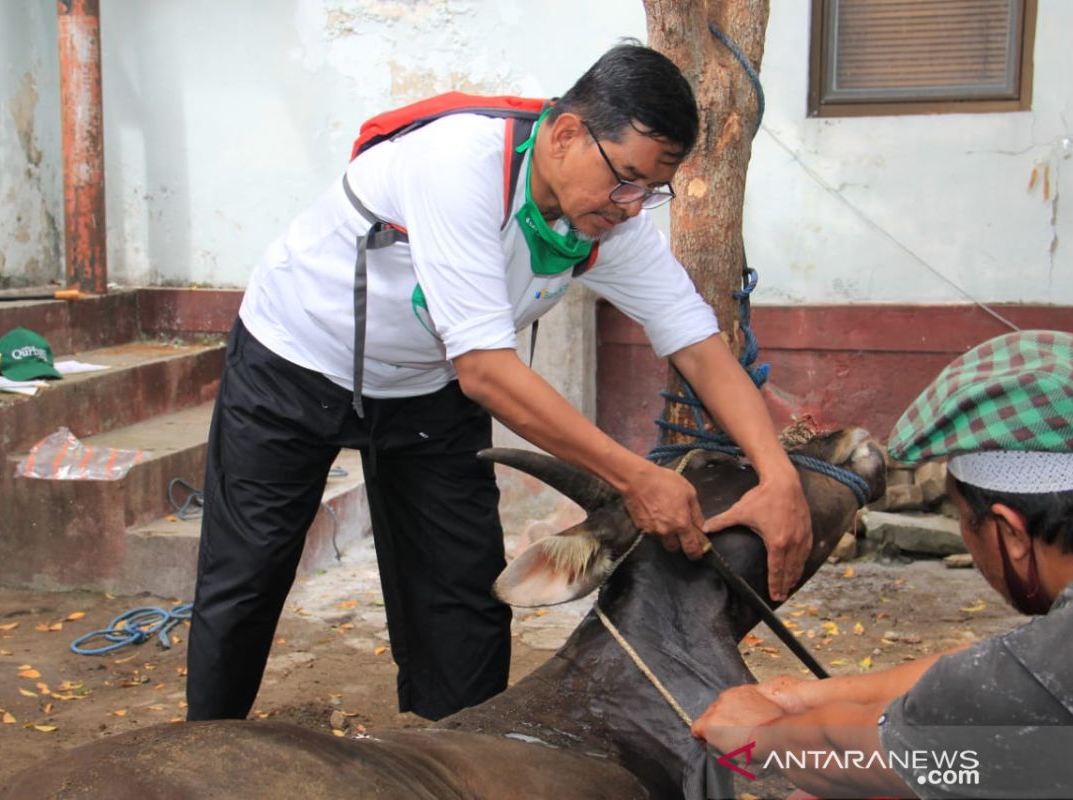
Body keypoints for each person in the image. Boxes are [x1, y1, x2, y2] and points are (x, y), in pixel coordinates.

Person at [187, 42, 812, 723]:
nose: (634, 207)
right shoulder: (459, 164)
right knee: (246, 582)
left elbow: (697, 343)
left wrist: (777, 474)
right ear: (568, 134)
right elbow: (486, 370)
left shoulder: (610, 220)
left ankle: (456, 765)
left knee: (462, 603)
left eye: (649, 191)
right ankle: (201, 755)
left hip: (426, 389)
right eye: (626, 180)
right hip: (296, 361)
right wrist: (637, 479)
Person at [692, 329, 1073, 798]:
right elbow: (1007, 664)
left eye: (963, 516)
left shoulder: (1035, 684)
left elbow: (859, 757)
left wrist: (758, 738)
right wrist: (807, 696)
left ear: (1012, 534)